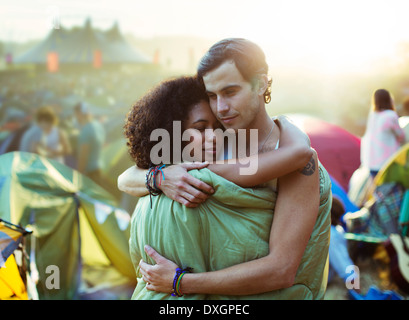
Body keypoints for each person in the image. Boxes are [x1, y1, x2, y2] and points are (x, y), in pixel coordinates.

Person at [120, 38, 332, 299]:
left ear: (261, 84)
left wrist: (180, 283)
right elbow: (127, 177)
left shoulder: (295, 161)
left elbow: (281, 270)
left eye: (230, 92)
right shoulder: (215, 141)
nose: (220, 107)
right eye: (212, 95)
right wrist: (160, 176)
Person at [361, 89, 405, 178]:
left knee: (376, 190)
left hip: (371, 162)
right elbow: (401, 136)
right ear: (389, 99)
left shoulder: (373, 115)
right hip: (386, 163)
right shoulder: (390, 115)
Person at [74, 102, 105, 185]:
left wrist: (78, 174)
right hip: (99, 167)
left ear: (79, 114)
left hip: (90, 172)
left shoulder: (86, 130)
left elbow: (84, 155)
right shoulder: (97, 125)